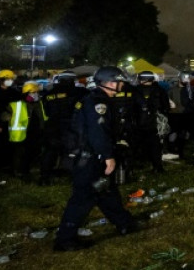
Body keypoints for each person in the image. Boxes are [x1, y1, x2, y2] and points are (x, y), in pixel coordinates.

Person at [54, 66, 139, 252]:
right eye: (120, 81)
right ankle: (65, 240)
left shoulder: (95, 98)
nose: (122, 85)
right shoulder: (98, 103)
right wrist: (108, 156)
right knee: (83, 198)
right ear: (109, 82)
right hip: (90, 159)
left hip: (91, 156)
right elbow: (97, 133)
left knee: (107, 192)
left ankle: (125, 223)